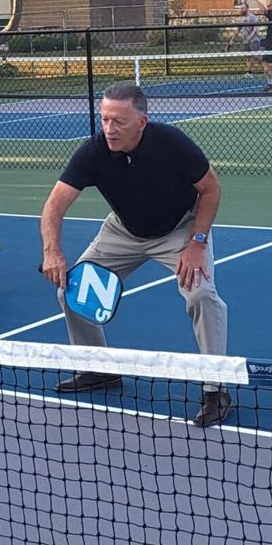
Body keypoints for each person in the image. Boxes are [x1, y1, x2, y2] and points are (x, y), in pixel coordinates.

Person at [39, 82, 231, 427]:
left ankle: (216, 387)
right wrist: (52, 252)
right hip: (123, 232)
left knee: (202, 294)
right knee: (71, 291)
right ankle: (98, 370)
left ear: (142, 121)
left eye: (119, 122)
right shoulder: (93, 151)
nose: (110, 129)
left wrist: (197, 243)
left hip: (180, 230)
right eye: (105, 119)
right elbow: (54, 206)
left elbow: (211, 188)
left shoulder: (173, 144)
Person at [224, 3, 263, 79]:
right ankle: (249, 72)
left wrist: (250, 36)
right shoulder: (241, 19)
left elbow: (255, 28)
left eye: (243, 8)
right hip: (246, 41)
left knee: (257, 56)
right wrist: (232, 40)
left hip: (254, 40)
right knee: (248, 57)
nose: (241, 10)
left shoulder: (253, 17)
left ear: (247, 8)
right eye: (240, 8)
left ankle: (266, 68)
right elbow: (238, 30)